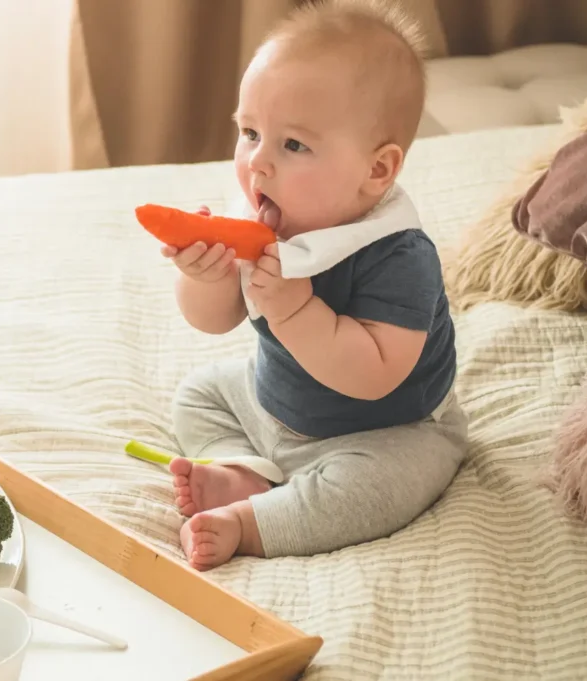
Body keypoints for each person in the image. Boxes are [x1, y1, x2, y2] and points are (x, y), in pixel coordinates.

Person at [161, 0, 468, 571]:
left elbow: (375, 374)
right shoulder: (261, 216)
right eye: (250, 132)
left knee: (378, 487)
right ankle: (241, 470)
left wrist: (297, 312)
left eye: (293, 145)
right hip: (275, 403)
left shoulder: (396, 253)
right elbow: (214, 319)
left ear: (377, 170)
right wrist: (202, 278)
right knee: (200, 393)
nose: (258, 164)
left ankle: (255, 522)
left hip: (383, 430)